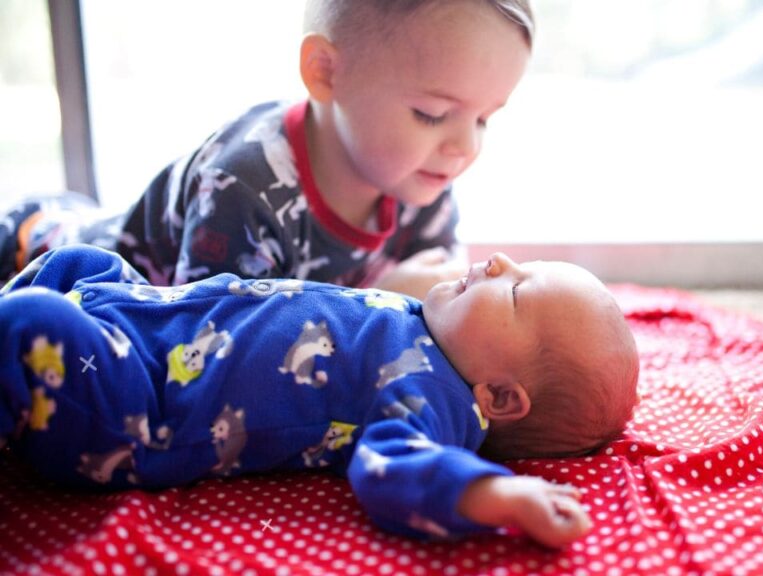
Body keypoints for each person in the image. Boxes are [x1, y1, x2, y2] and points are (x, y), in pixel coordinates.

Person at [0, 245, 639, 548]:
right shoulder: (423, 322)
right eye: (522, 264)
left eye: (518, 291)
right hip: (153, 323)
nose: (501, 261)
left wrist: (494, 493)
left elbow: (395, 472)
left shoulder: (430, 400)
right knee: (79, 262)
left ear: (499, 398)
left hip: (138, 404)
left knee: (29, 324)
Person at [0, 0, 534, 300]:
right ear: (326, 72)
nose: (466, 146)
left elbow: (443, 296)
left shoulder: (424, 181)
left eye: (485, 118)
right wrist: (388, 294)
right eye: (432, 115)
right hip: (37, 254)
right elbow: (216, 351)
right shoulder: (243, 188)